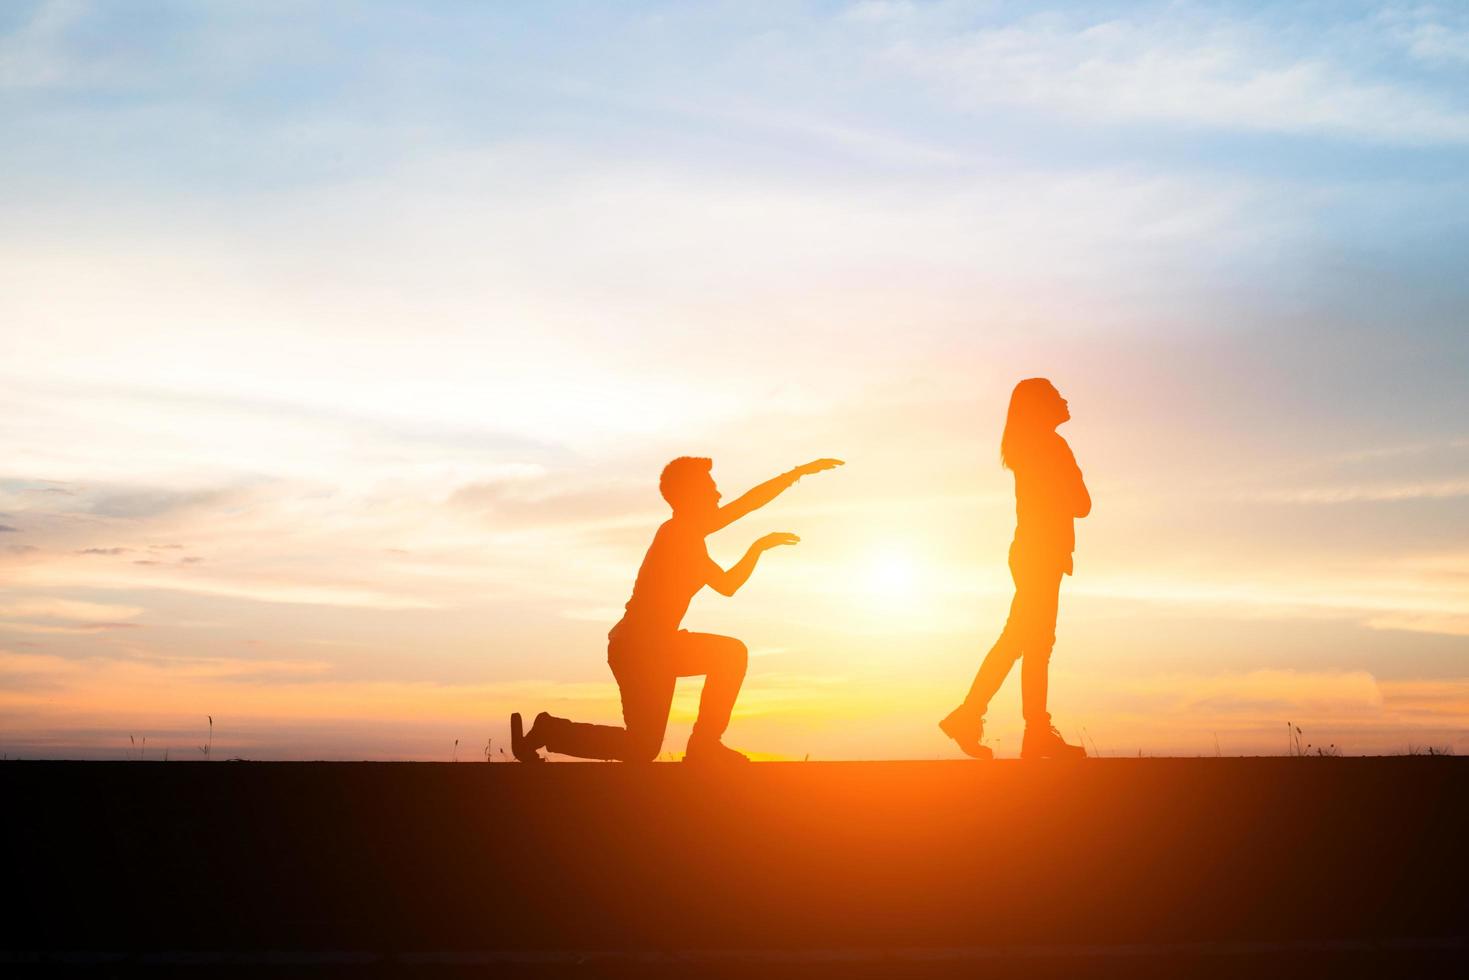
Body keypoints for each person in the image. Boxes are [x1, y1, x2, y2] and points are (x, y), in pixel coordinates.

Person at [511, 456, 843, 765]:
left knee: (641, 747)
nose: (718, 494)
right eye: (710, 488)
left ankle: (549, 730)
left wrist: (758, 547)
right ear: (690, 495)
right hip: (641, 647)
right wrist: (796, 475)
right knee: (731, 654)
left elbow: (728, 585)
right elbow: (744, 507)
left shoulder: (689, 539)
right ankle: (705, 745)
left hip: (649, 648)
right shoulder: (678, 533)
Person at [940, 378, 1090, 760]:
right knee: (1027, 642)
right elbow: (1081, 504)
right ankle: (981, 717)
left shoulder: (1028, 448)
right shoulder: (1051, 446)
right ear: (1042, 406)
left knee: (1028, 642)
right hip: (1041, 555)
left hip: (1031, 553)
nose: (1065, 399)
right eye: (1057, 395)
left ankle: (1014, 725)